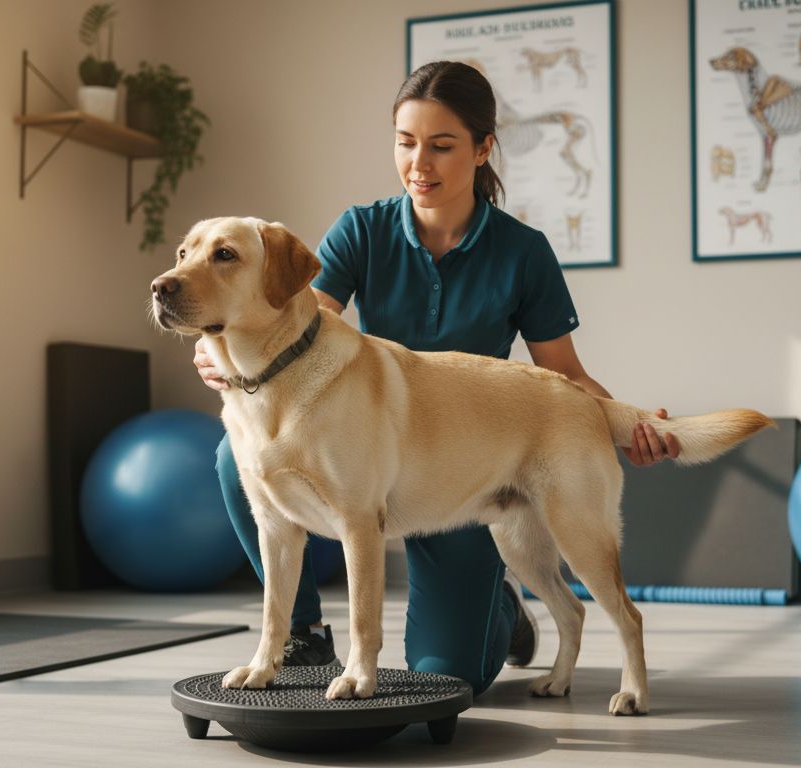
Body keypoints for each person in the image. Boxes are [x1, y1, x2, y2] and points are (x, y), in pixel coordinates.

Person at [197, 61, 678, 696]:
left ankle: (502, 604)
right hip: (371, 463)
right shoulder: (364, 230)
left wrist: (629, 423)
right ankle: (301, 635)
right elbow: (302, 329)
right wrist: (225, 351)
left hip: (466, 468)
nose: (419, 162)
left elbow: (564, 377)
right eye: (405, 141)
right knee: (239, 456)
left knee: (446, 680)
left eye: (442, 145)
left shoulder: (522, 250)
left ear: (483, 149)